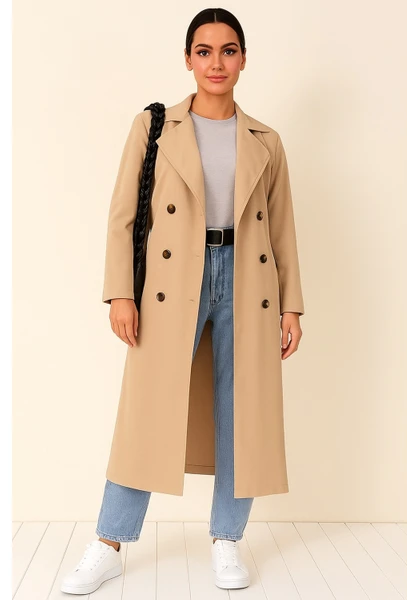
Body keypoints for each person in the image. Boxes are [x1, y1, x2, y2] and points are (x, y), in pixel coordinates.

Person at [61, 7, 304, 596]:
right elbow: (123, 217)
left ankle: (227, 540)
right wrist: (121, 292)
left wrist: (292, 306)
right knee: (147, 413)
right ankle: (108, 544)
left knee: (241, 415)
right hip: (172, 283)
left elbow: (282, 231)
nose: (216, 62)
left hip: (247, 281)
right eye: (204, 51)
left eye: (228, 50)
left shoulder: (265, 140)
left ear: (243, 59)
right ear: (188, 59)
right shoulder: (154, 128)